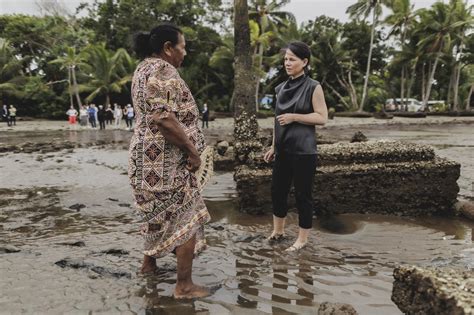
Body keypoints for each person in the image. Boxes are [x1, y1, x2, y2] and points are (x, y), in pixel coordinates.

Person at [129, 23, 211, 299]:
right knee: (186, 216)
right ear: (168, 48)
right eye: (182, 46)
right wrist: (192, 150)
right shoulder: (164, 70)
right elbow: (164, 117)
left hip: (143, 160)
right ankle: (184, 286)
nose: (184, 53)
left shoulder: (142, 69)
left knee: (155, 214)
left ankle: (149, 265)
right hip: (166, 160)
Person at [263, 41, 328, 252]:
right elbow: (277, 120)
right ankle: (278, 231)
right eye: (285, 59)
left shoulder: (313, 86)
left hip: (304, 151)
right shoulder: (280, 88)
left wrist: (295, 117)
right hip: (283, 150)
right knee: (277, 191)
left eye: (292, 59)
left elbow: (322, 117)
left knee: (303, 195)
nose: (287, 63)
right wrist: (273, 147)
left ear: (304, 62)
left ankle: (302, 239)